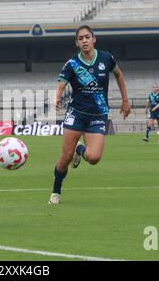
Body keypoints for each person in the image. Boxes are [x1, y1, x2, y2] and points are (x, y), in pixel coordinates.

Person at [49, 25, 130, 205]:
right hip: (76, 114)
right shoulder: (72, 64)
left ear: (94, 39)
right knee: (65, 158)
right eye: (81, 38)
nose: (84, 40)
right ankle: (56, 191)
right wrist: (57, 98)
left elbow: (119, 75)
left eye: (87, 37)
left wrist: (125, 100)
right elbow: (61, 84)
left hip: (98, 114)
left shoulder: (106, 58)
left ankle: (80, 149)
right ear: (76, 43)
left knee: (93, 158)